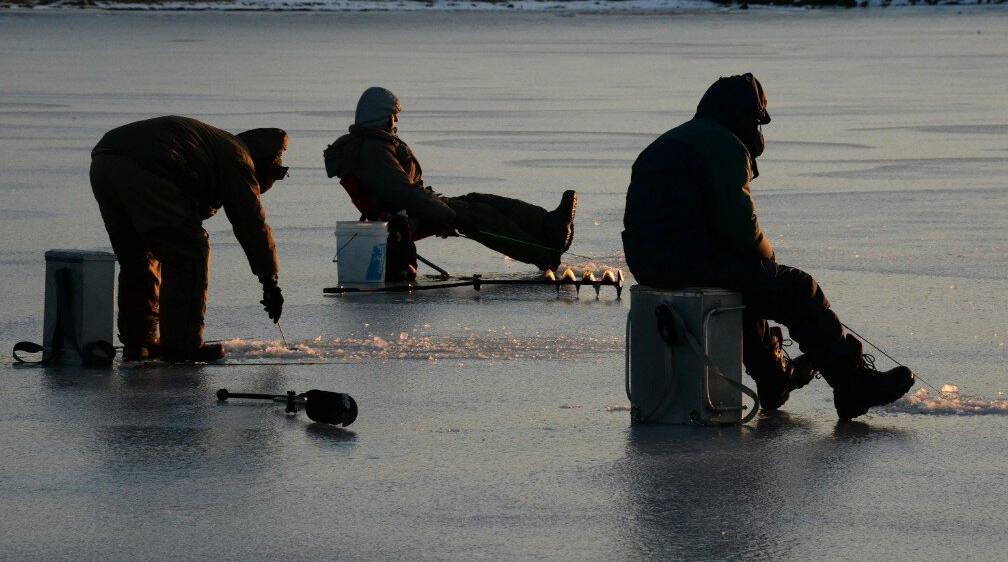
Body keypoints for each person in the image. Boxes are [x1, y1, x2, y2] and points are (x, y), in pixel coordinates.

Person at [622, 74, 915, 419]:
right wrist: (768, 262)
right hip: (688, 260)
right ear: (746, 118)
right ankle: (852, 384)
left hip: (648, 261)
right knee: (797, 289)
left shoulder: (675, 140)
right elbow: (741, 229)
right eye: (759, 123)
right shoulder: (725, 143)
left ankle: (774, 377)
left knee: (742, 285)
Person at [90, 116, 288, 364]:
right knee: (190, 252)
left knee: (139, 257)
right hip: (149, 163)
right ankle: (183, 345)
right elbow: (251, 223)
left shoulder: (218, 146)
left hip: (103, 162)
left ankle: (140, 342)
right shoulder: (239, 158)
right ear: (265, 165)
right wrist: (270, 282)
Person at [324, 87, 577, 273]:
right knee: (477, 215)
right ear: (381, 116)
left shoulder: (375, 145)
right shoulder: (373, 151)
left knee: (479, 200)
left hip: (410, 207)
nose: (397, 120)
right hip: (402, 217)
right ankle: (545, 255)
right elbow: (404, 191)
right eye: (394, 114)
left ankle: (548, 227)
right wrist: (449, 217)